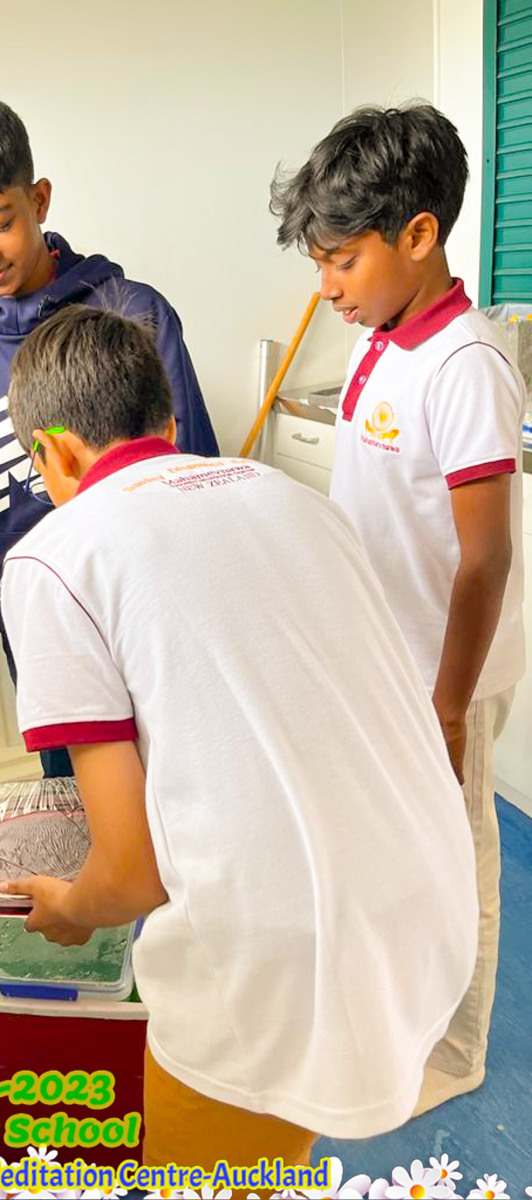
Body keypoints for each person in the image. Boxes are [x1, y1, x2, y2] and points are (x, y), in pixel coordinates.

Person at [0, 304, 477, 1168]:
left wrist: (70, 909)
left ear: (54, 454)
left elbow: (131, 874)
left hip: (286, 948)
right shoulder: (292, 497)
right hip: (426, 890)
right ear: (169, 424)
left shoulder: (53, 556)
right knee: (286, 1140)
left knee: (208, 1170)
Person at [271, 103, 526, 1114]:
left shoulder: (466, 363)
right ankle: (397, 1014)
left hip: (446, 675)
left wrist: (452, 704)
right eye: (320, 263)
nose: (326, 286)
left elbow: (486, 556)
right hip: (387, 660)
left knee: (458, 857)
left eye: (342, 260)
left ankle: (456, 1053)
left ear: (418, 234)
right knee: (397, 846)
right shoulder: (382, 339)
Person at [0, 95, 218, 776]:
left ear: (40, 200)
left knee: (188, 792)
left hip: (154, 621)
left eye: (0, 224)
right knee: (81, 810)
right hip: (42, 639)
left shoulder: (135, 314)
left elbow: (196, 475)